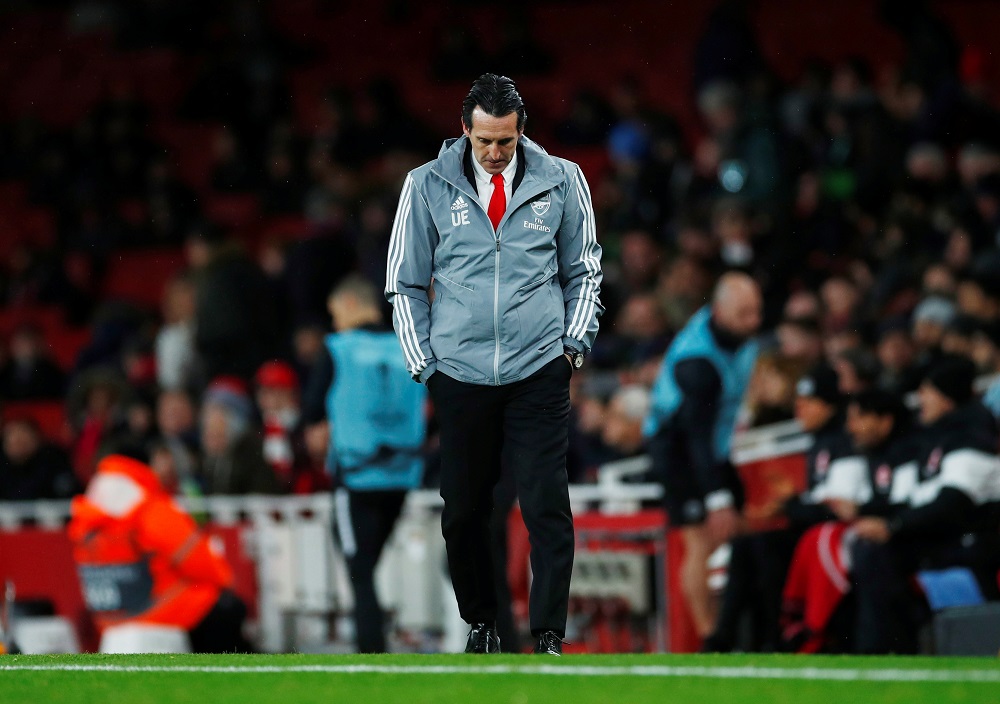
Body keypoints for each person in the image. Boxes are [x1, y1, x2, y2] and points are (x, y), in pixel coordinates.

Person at [385, 74, 604, 655]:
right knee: (463, 511)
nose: (494, 153)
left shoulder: (565, 179)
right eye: (484, 140)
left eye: (504, 141)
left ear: (521, 131)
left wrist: (572, 347)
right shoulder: (425, 184)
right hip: (459, 374)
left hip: (539, 370)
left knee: (545, 505)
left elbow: (584, 270)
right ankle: (481, 625)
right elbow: (403, 282)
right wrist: (424, 364)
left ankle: (549, 635)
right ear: (464, 130)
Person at [303, 275, 427, 653]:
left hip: (356, 477)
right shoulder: (410, 345)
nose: (335, 322)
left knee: (359, 568)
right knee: (368, 564)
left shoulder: (337, 348)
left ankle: (372, 652)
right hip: (403, 475)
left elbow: (311, 413)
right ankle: (376, 642)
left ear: (352, 304)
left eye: (336, 313)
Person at [850, 355, 1000, 653]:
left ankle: (883, 650)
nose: (920, 400)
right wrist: (875, 517)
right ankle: (883, 648)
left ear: (946, 399)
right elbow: (918, 501)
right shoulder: (937, 439)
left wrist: (894, 526)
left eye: (926, 391)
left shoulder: (973, 436)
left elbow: (952, 503)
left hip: (974, 544)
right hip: (946, 538)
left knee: (881, 554)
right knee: (869, 547)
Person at [643, 272, 762, 642]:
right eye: (744, 313)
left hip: (713, 444)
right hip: (675, 449)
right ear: (721, 311)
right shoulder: (697, 362)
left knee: (739, 532)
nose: (754, 321)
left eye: (756, 311)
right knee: (700, 541)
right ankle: (710, 635)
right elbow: (695, 436)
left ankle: (737, 626)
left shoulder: (737, 338)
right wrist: (717, 496)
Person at [703, 363, 853, 652]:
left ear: (829, 406)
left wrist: (789, 506)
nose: (800, 410)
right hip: (813, 530)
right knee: (746, 544)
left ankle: (775, 635)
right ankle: (725, 635)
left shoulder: (841, 444)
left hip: (829, 536)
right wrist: (789, 503)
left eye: (809, 403)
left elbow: (836, 506)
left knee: (765, 546)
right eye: (799, 402)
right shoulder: (820, 443)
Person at [68, 447, 251, 653]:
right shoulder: (149, 508)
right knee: (229, 608)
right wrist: (225, 583)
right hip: (159, 615)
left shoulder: (87, 512)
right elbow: (202, 562)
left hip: (109, 622)